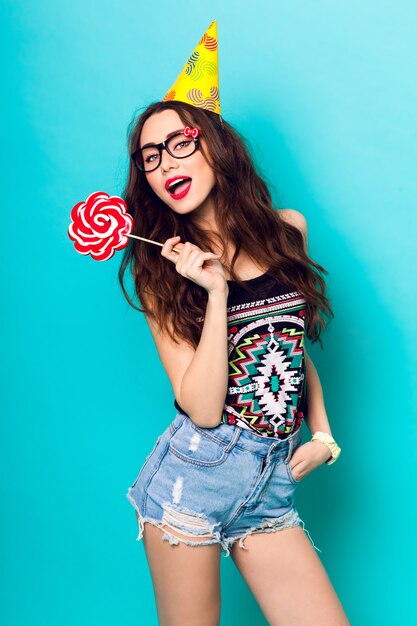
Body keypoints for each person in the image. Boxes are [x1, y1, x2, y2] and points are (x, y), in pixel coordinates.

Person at [121, 20, 350, 626]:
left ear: (216, 145)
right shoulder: (159, 269)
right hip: (192, 479)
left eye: (180, 142)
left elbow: (291, 350)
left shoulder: (288, 230)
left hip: (271, 480)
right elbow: (199, 406)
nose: (164, 162)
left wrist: (322, 436)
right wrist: (216, 293)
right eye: (149, 156)